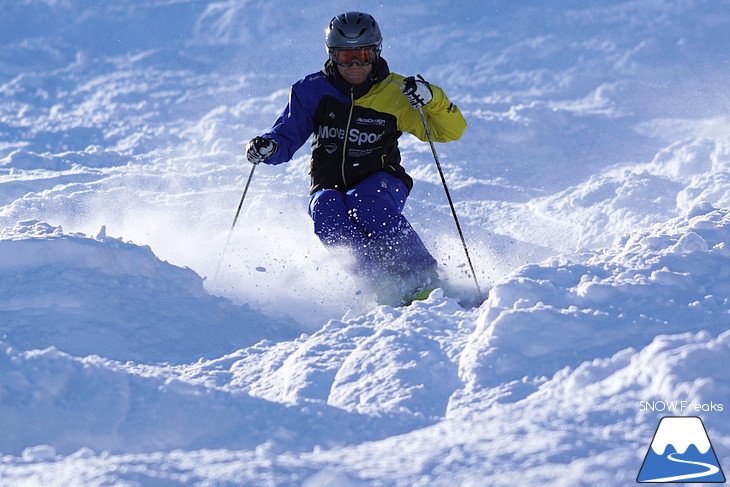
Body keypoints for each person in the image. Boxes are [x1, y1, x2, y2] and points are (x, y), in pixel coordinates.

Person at [245, 11, 466, 305]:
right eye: (345, 57)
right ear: (332, 55)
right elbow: (286, 135)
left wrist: (432, 98)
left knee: (365, 201)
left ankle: (423, 278)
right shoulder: (310, 90)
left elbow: (449, 132)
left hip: (383, 180)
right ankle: (381, 283)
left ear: (375, 53)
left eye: (362, 55)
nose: (354, 65)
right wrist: (268, 146)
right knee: (325, 209)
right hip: (328, 184)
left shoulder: (397, 93)